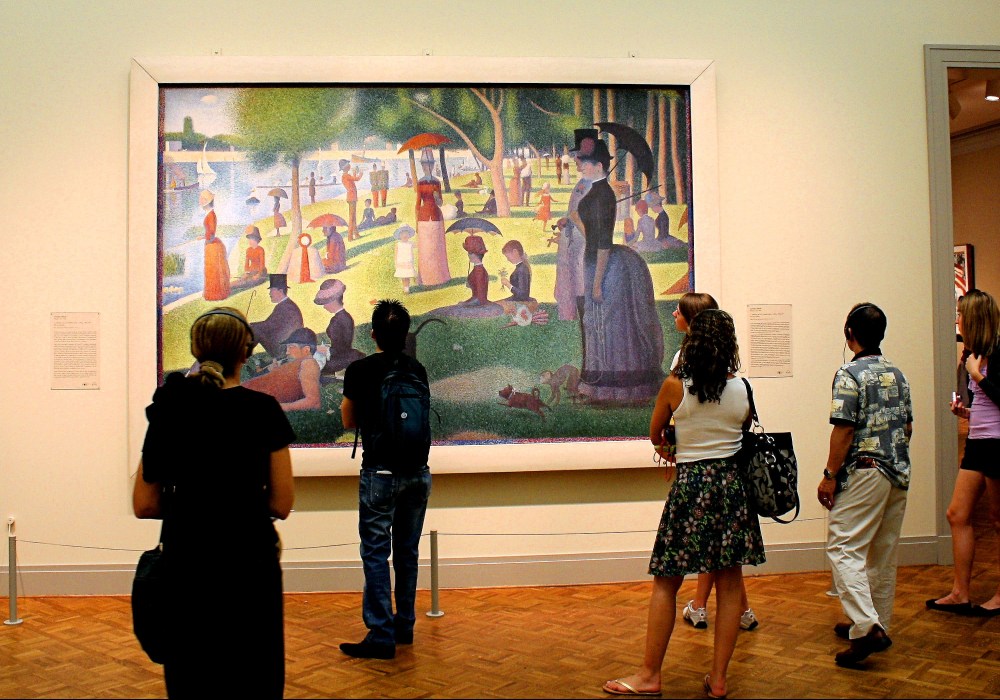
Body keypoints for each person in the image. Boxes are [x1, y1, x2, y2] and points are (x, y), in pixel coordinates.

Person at [133, 308, 295, 698]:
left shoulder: (170, 408)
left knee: (192, 680)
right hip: (250, 563)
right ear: (246, 351)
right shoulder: (263, 410)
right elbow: (281, 502)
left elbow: (144, 504)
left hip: (186, 563)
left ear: (196, 350)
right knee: (254, 680)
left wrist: (194, 505)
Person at [603, 309, 763, 699]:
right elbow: (742, 433)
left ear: (693, 340)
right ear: (728, 343)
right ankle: (719, 680)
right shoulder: (743, 387)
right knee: (729, 584)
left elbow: (656, 434)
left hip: (691, 485)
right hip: (731, 487)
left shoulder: (676, 385)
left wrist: (677, 453)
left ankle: (650, 675)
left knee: (667, 581)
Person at [818, 302, 912, 667]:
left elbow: (844, 428)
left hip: (866, 469)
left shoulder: (849, 374)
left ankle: (867, 625)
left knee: (843, 546)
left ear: (849, 334)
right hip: (898, 470)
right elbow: (907, 427)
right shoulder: (898, 374)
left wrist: (829, 475)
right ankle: (875, 624)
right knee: (882, 554)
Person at [340, 299, 432, 660]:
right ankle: (404, 625)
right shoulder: (417, 369)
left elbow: (348, 420)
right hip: (418, 473)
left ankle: (381, 634)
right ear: (406, 335)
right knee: (407, 552)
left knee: (376, 553)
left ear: (373, 334)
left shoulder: (359, 370)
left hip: (379, 474)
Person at [665, 293, 760, 634]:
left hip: (696, 469)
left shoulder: (683, 360)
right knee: (722, 552)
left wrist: (670, 445)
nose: (673, 314)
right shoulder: (728, 365)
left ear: (694, 319)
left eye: (679, 310)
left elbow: (672, 414)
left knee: (711, 551)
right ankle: (725, 608)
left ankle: (707, 607)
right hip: (728, 472)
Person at [569, 129, 664, 404]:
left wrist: (597, 282)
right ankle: (600, 388)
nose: (580, 167)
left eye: (585, 163)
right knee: (596, 322)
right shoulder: (597, 191)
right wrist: (576, 219)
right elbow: (593, 236)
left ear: (599, 166)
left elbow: (603, 243)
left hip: (605, 266)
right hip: (594, 261)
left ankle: (614, 390)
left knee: (606, 324)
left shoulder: (603, 196)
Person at [927, 289, 1000, 617]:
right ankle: (960, 592)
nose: (957, 320)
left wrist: (977, 375)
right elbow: (986, 405)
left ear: (974, 318)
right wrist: (966, 414)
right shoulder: (972, 354)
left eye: (960, 315)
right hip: (978, 442)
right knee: (957, 514)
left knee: (998, 520)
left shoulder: (995, 354)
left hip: (997, 444)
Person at [244, 327, 322, 411]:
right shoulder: (297, 363)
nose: (287, 352)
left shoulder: (309, 363)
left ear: (306, 350)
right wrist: (272, 370)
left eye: (291, 347)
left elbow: (313, 402)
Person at [415, 147, 451, 286]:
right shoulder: (420, 182)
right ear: (422, 166)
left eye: (430, 164)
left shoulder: (437, 182)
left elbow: (440, 202)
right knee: (426, 249)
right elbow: (417, 204)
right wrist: (416, 222)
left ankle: (439, 278)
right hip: (423, 217)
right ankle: (425, 279)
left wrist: (437, 197)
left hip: (436, 216)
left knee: (437, 248)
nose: (427, 167)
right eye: (425, 164)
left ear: (433, 165)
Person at [314, 278, 365, 377]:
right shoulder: (346, 316)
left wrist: (324, 350)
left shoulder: (337, 320)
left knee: (313, 363)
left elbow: (339, 348)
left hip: (340, 359)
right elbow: (341, 343)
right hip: (345, 354)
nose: (324, 306)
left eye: (325, 303)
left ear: (333, 301)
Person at [250, 274, 304, 358]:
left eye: (271, 290)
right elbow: (269, 324)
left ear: (280, 291)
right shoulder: (286, 305)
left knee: (256, 330)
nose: (269, 293)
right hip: (286, 345)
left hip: (285, 349)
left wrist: (251, 325)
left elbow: (269, 325)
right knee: (256, 329)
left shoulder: (286, 307)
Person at [200, 190, 231, 301]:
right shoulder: (209, 214)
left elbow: (212, 233)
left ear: (207, 202)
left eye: (202, 199)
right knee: (210, 270)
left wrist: (205, 238)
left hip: (213, 246)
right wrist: (204, 237)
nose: (200, 201)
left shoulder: (211, 215)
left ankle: (216, 294)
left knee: (213, 270)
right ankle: (212, 293)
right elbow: (210, 232)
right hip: (210, 244)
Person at [340, 159, 361, 241]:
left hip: (352, 197)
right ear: (345, 167)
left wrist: (355, 172)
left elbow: (353, 179)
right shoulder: (346, 175)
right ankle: (350, 236)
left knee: (353, 217)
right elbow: (357, 179)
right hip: (351, 197)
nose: (349, 166)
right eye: (348, 165)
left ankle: (356, 234)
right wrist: (361, 174)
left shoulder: (346, 175)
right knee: (352, 217)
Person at [394, 224, 417, 294]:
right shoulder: (398, 244)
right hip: (401, 263)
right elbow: (396, 254)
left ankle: (407, 287)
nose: (404, 235)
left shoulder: (410, 243)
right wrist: (396, 263)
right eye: (402, 234)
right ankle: (405, 288)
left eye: (406, 234)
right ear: (399, 236)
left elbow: (418, 245)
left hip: (408, 262)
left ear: (409, 235)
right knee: (403, 276)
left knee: (408, 276)